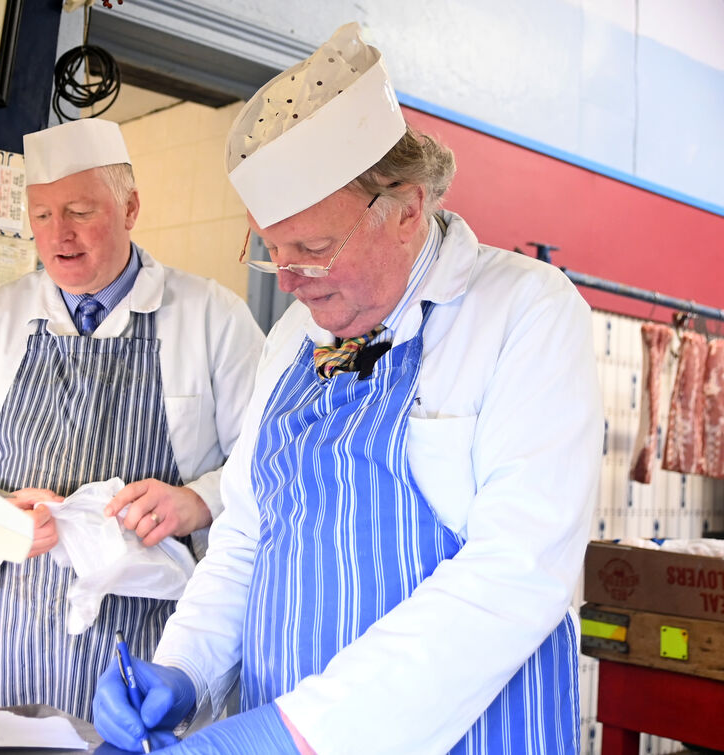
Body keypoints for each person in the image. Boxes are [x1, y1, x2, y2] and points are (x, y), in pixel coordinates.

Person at [93, 22, 602, 754]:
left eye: (314, 249)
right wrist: (183, 669)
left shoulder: (526, 311)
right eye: (273, 252)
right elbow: (245, 538)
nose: (292, 279)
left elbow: (516, 572)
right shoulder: (292, 338)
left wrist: (295, 733)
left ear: (405, 210)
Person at [0, 118, 265, 721]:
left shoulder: (213, 317)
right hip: (9, 643)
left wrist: (199, 501)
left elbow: (271, 461)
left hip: (154, 648)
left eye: (79, 210)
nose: (59, 236)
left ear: (130, 208)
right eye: (42, 215)